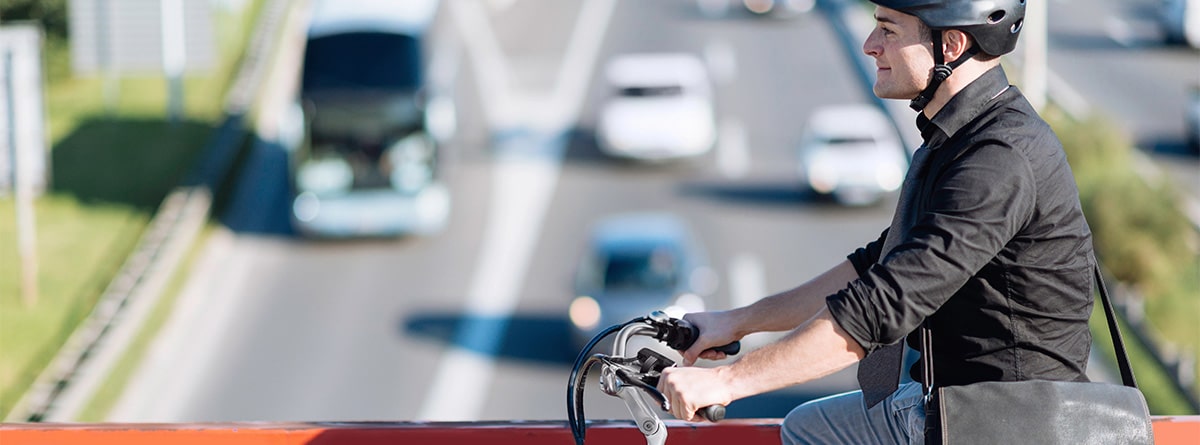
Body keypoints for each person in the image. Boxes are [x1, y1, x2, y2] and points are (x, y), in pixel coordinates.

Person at [656, 0, 1097, 443]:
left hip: (1008, 422)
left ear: (952, 44)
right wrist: (736, 321)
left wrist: (729, 382)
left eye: (888, 30)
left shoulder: (999, 159)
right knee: (807, 428)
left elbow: (883, 304)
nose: (870, 46)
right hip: (947, 402)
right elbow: (877, 265)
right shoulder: (960, 137)